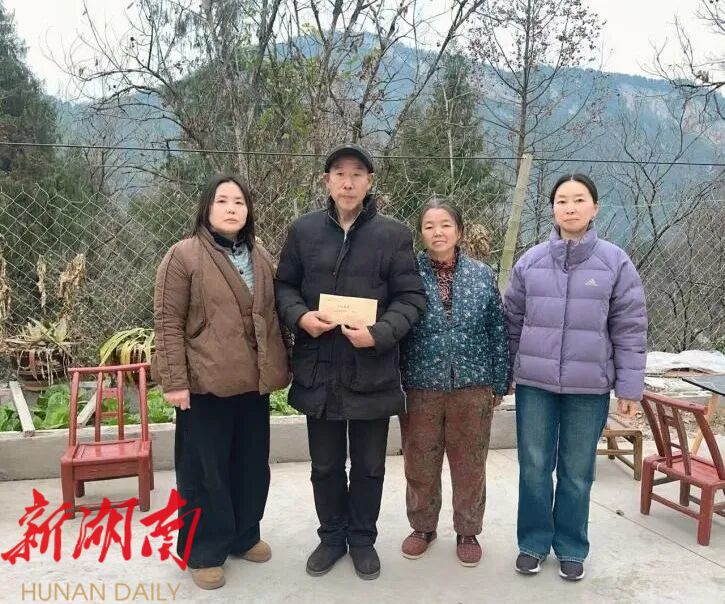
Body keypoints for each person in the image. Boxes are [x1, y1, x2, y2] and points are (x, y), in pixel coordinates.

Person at [275, 143, 426, 580]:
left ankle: (361, 539)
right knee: (324, 465)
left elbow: (410, 298)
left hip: (371, 370)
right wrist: (301, 317)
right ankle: (331, 537)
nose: (348, 182)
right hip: (319, 368)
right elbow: (284, 286)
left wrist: (379, 333)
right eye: (339, 173)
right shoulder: (303, 231)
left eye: (357, 174)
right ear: (326, 181)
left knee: (369, 466)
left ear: (369, 182)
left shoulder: (392, 235)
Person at [504, 173, 647, 581]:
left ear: (595, 207)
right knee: (534, 466)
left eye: (579, 199)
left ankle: (571, 546)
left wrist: (629, 388)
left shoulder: (615, 262)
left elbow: (630, 327)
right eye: (562, 200)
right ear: (552, 208)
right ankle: (532, 542)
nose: (570, 207)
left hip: (590, 386)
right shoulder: (531, 262)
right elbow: (511, 322)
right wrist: (506, 374)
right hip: (535, 385)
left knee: (578, 470)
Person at [153, 173, 290, 590]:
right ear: (206, 208)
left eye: (239, 202)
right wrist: (175, 381)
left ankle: (244, 535)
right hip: (204, 384)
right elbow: (167, 321)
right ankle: (204, 551)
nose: (231, 208)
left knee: (250, 465)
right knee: (204, 472)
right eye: (222, 201)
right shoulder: (183, 255)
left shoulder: (259, 254)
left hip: (252, 382)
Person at [399, 198, 510, 567]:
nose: (438, 232)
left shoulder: (481, 274)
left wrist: (500, 380)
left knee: (470, 463)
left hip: (472, 383)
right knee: (420, 461)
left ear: (459, 231)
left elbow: (497, 329)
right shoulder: (406, 274)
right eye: (429, 225)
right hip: (420, 383)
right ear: (420, 233)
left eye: (445, 224)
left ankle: (468, 530)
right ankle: (423, 527)